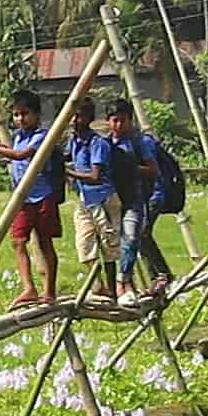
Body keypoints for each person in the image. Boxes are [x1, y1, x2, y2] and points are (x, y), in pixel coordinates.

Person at [0, 89, 62, 308]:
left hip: (43, 196)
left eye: (25, 114)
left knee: (45, 242)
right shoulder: (19, 137)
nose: (20, 119)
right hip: (23, 199)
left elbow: (19, 155)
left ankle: (49, 292)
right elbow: (13, 151)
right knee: (18, 242)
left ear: (37, 115)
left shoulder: (42, 136)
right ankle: (29, 288)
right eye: (17, 114)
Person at [106, 99, 171, 304]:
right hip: (114, 200)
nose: (118, 125)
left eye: (123, 121)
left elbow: (153, 170)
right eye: (114, 121)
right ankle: (124, 285)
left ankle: (142, 278)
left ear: (130, 120)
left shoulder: (140, 142)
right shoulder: (105, 144)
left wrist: (129, 168)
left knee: (133, 237)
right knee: (116, 243)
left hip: (138, 198)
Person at [66, 98, 121, 300]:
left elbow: (95, 176)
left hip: (103, 198)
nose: (73, 120)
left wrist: (70, 173)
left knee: (108, 245)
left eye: (78, 116)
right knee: (84, 244)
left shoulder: (97, 143)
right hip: (85, 199)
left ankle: (113, 291)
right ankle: (97, 286)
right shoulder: (74, 141)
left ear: (88, 118)